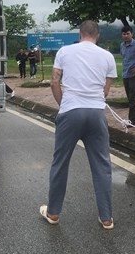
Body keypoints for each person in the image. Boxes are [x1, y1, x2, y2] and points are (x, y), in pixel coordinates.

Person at [40, 20, 118, 229]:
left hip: (70, 111)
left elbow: (54, 82)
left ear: (80, 33)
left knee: (60, 162)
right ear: (97, 35)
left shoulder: (64, 52)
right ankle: (106, 218)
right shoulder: (107, 56)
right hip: (96, 112)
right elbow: (105, 91)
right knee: (102, 164)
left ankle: (54, 212)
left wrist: (64, 104)